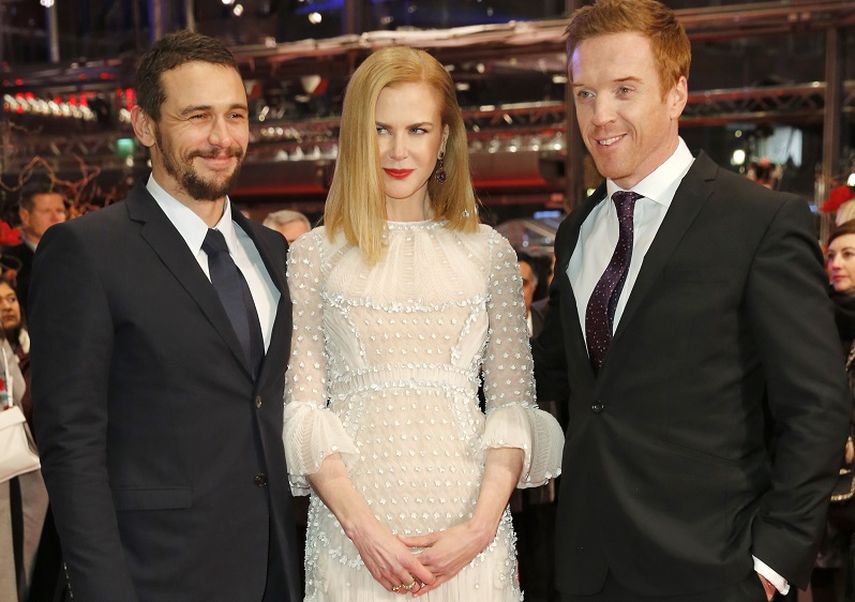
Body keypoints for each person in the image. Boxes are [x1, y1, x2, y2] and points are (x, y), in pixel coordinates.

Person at [533, 1, 850, 601]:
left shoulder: (760, 221)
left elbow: (817, 407)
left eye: (624, 89)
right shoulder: (577, 231)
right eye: (584, 94)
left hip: (714, 569)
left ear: (677, 92)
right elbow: (552, 371)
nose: (601, 116)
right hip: (587, 567)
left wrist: (774, 558)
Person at [282, 45, 564, 601]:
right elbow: (304, 409)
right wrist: (364, 532)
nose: (396, 150)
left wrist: (479, 529)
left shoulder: (489, 254)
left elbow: (512, 406)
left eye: (416, 129)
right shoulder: (314, 255)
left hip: (467, 532)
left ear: (443, 139)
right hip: (353, 534)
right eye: (380, 129)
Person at [28, 31, 299, 601]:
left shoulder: (274, 252)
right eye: (197, 116)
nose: (221, 138)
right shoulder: (87, 251)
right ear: (145, 126)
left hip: (279, 570)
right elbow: (71, 444)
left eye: (235, 115)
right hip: (156, 576)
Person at [815, 221, 855, 602]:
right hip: (824, 487)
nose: (836, 263)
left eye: (848, 254)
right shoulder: (814, 319)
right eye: (831, 256)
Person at [3, 178, 67, 312]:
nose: (56, 218)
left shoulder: (79, 255)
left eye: (60, 211)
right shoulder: (8, 260)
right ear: (25, 216)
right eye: (46, 211)